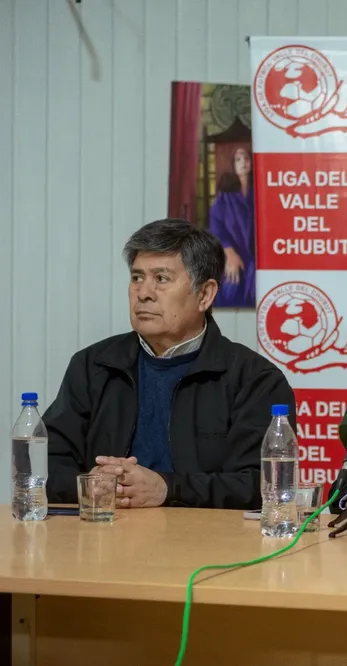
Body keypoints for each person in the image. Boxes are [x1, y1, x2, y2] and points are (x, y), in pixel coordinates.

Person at [45, 218, 295, 510]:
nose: (143, 292)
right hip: (104, 537)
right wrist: (92, 484)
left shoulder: (254, 379)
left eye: (161, 279)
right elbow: (44, 465)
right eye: (137, 277)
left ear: (204, 294)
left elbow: (262, 484)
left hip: (203, 546)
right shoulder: (93, 366)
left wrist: (167, 488)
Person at [208, 146, 256, 308]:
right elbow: (216, 226)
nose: (243, 162)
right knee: (231, 289)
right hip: (233, 254)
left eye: (246, 159)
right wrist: (229, 253)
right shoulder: (225, 196)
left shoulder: (259, 192)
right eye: (238, 159)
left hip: (256, 257)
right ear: (233, 165)